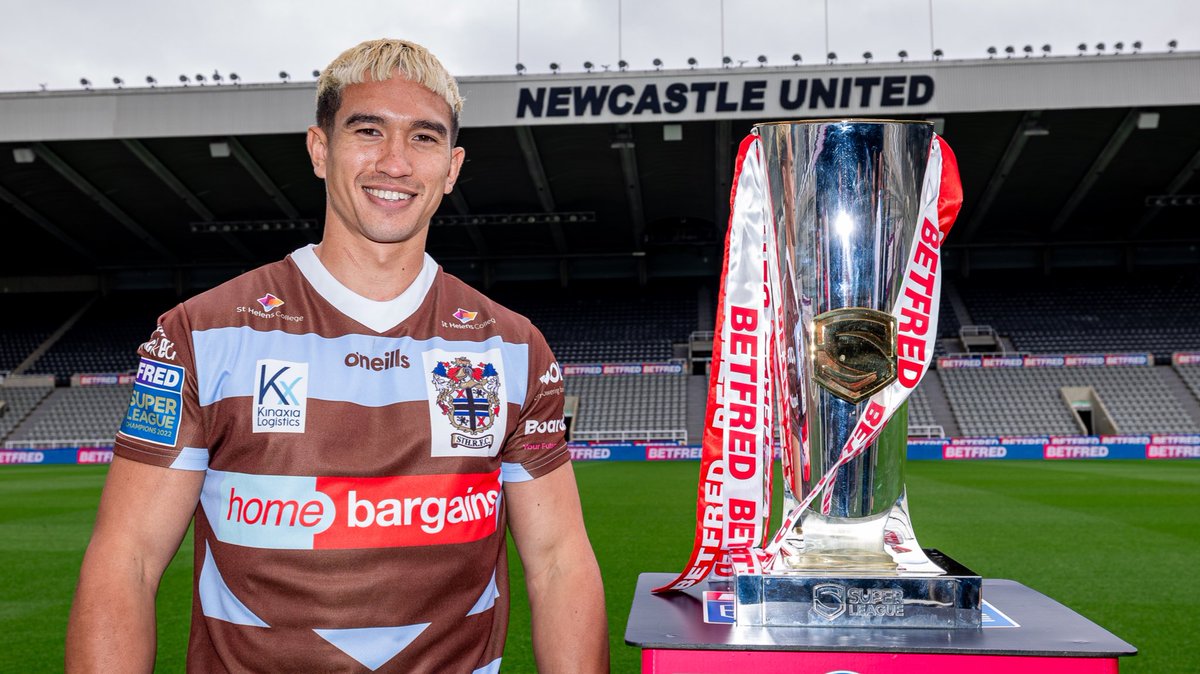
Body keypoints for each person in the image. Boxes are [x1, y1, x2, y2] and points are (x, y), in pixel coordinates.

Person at [66, 38, 608, 673]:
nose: (396, 162)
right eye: (368, 130)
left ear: (453, 166)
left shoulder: (510, 346)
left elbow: (559, 562)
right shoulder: (198, 334)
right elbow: (125, 560)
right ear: (320, 150)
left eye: (424, 139)